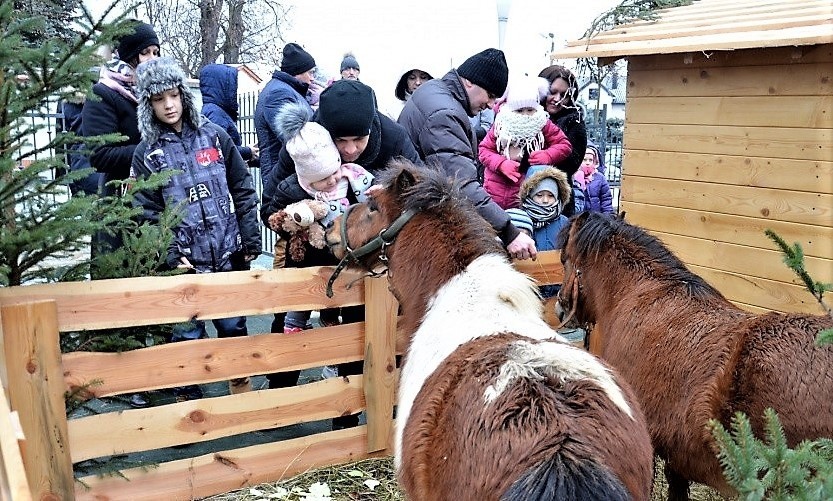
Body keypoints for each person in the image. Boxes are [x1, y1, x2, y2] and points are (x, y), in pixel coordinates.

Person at [131, 57, 262, 400]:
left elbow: (243, 187)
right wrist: (169, 254)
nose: (168, 105)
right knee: (186, 332)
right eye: (159, 100)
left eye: (172, 96)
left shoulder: (215, 136)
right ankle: (187, 397)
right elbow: (145, 211)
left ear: (182, 96)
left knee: (233, 325)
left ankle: (241, 387)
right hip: (183, 260)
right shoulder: (147, 153)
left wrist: (250, 237)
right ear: (149, 105)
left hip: (227, 249)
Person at [262, 101, 375, 430]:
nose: (332, 181)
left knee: (350, 336)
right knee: (290, 326)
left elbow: (372, 202)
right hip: (307, 268)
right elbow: (273, 215)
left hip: (349, 270)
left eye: (334, 172)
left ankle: (346, 411)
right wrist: (293, 221)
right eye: (323, 179)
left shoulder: (352, 179)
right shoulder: (292, 186)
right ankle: (279, 398)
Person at [398, 48, 536, 261]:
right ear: (469, 82)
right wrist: (509, 232)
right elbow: (460, 184)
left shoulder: (435, 90)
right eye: (490, 95)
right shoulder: (445, 114)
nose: (491, 105)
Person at [80, 20, 161, 260]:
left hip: (158, 202)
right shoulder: (104, 94)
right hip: (120, 203)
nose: (152, 58)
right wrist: (152, 151)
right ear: (128, 56)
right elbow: (100, 156)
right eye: (145, 52)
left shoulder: (156, 93)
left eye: (156, 52)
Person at [479, 75, 572, 210]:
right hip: (495, 191)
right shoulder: (500, 124)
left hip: (527, 191)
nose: (525, 115)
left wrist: (548, 155)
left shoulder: (542, 123)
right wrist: (501, 163)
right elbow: (484, 150)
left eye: (530, 110)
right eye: (519, 110)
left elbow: (564, 145)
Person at [254, 42, 317, 192]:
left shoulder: (285, 90)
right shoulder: (279, 94)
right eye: (310, 72)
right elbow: (297, 141)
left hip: (287, 178)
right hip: (282, 181)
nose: (313, 78)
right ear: (297, 72)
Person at [538, 65, 588, 216]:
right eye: (552, 92)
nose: (557, 99)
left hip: (557, 201)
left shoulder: (575, 123)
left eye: (564, 95)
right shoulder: (520, 114)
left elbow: (570, 164)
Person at [515, 165, 572, 298]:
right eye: (539, 195)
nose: (545, 200)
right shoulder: (520, 220)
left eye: (550, 195)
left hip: (558, 292)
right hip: (528, 293)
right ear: (529, 194)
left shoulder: (565, 223)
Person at [199, 63, 259, 168]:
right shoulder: (214, 112)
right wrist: (247, 151)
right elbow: (217, 149)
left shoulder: (216, 110)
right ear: (224, 86)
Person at [575, 143, 614, 214]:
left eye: (590, 160)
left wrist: (607, 218)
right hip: (578, 219)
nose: (587, 163)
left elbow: (606, 200)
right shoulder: (573, 176)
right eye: (584, 160)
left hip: (595, 220)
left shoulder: (600, 178)